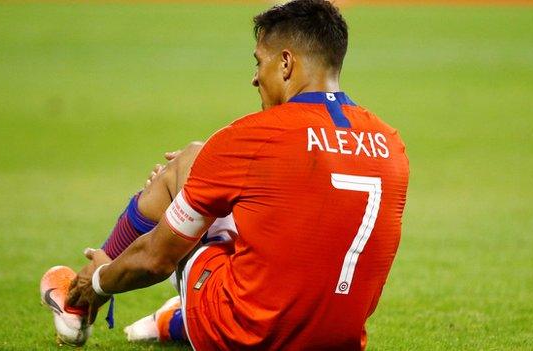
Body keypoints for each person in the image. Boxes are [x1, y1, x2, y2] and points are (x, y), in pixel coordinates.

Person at [56, 0, 410, 349]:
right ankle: (168, 314)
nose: (255, 77)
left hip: (241, 337)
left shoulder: (252, 138)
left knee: (192, 160)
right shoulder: (391, 143)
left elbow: (155, 261)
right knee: (231, 193)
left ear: (286, 63)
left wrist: (100, 282)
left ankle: (82, 299)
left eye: (260, 62)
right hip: (336, 341)